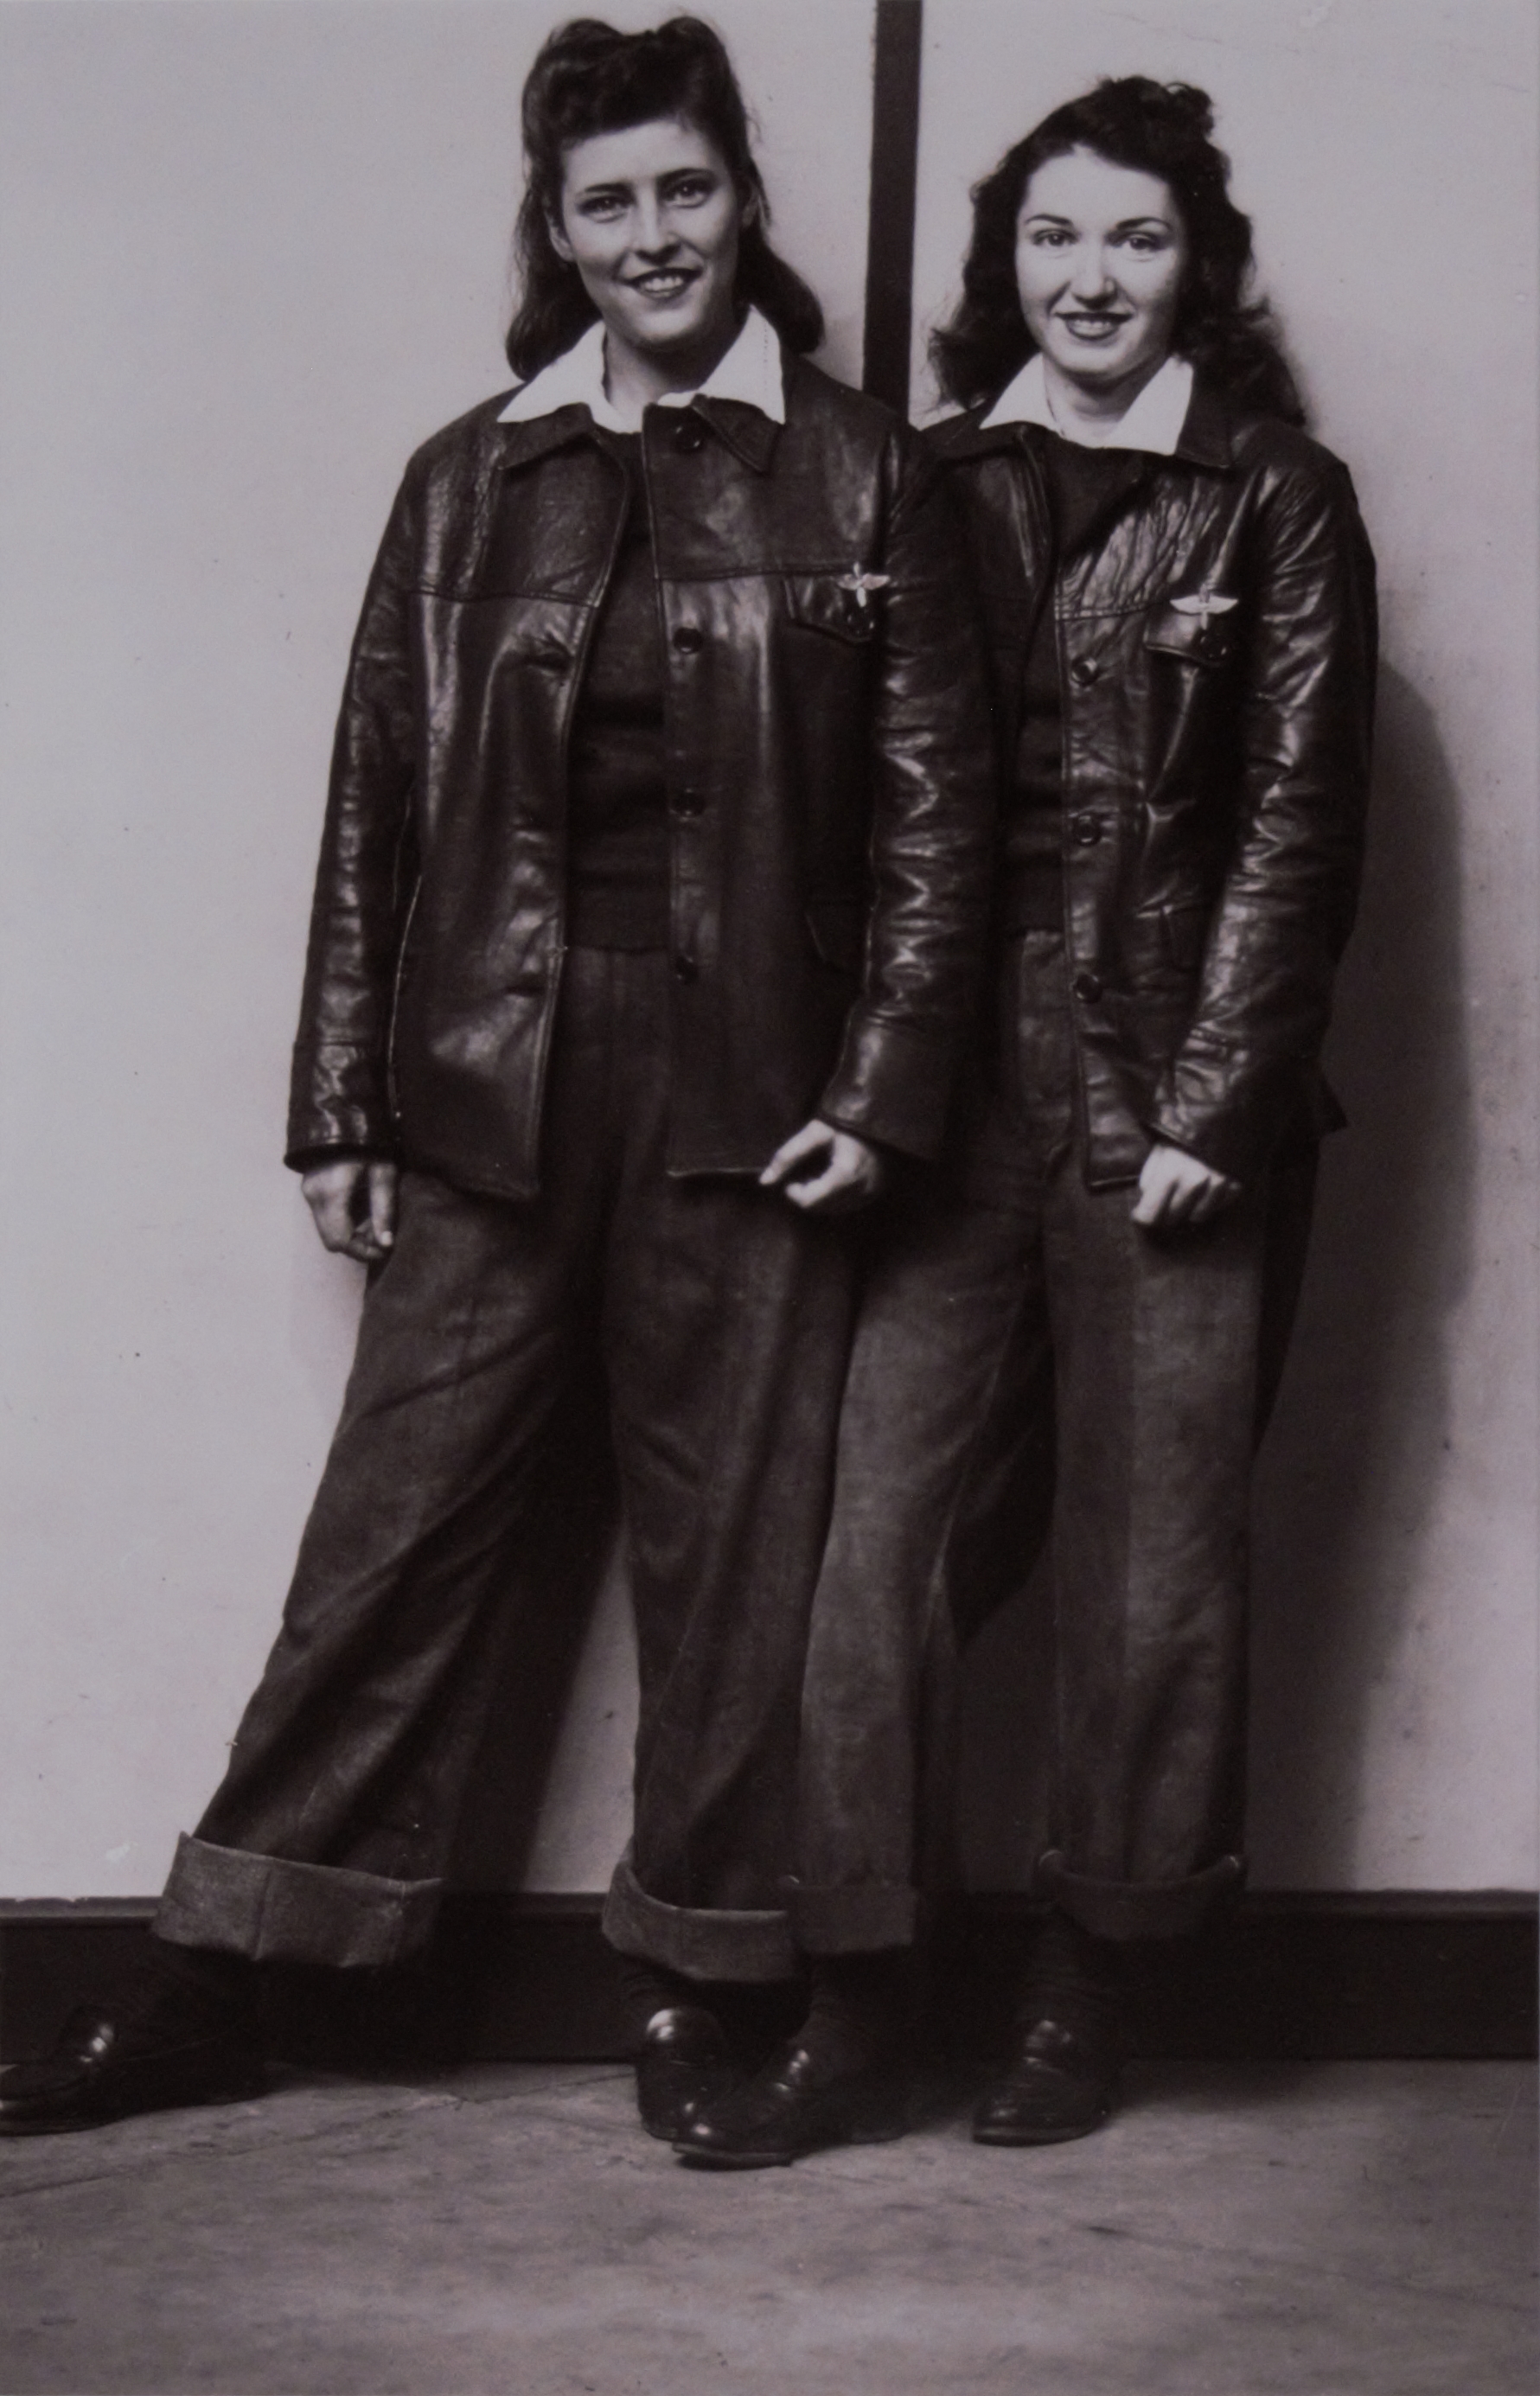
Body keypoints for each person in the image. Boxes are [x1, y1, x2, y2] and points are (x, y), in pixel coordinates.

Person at [0, 16, 993, 2143]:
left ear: (746, 199)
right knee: (390, 1536)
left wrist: (890, 1088)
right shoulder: (469, 475)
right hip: (489, 1074)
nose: (654, 235)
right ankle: (229, 1970)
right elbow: (376, 801)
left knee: (729, 1563)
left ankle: (705, 1987)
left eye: (687, 188)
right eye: (608, 202)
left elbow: (940, 824)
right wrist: (342, 1093)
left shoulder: (864, 473)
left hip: (756, 1100)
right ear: (557, 232)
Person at [675, 75, 1377, 2167]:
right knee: (867, 1552)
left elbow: (1299, 823)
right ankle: (860, 2001)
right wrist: (875, 1092)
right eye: (1056, 240)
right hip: (954, 1101)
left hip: (1171, 1097)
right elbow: (878, 803)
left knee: (1151, 1576)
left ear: (1203, 274)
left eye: (1139, 241)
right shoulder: (937, 478)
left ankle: (1089, 1990)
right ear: (1006, 267)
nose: (1094, 280)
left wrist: (1216, 1101)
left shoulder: (1276, 495)